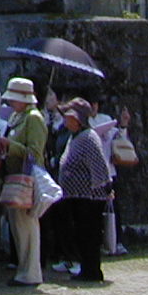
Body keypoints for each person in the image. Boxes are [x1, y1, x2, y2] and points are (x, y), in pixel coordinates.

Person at [0, 76, 47, 287]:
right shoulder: (17, 116)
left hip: (26, 178)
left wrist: (9, 145)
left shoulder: (33, 118)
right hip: (14, 176)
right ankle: (24, 270)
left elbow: (35, 152)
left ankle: (30, 272)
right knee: (18, 227)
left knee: (26, 226)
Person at [57, 98, 110, 284]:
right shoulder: (75, 137)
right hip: (77, 196)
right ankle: (87, 269)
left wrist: (104, 187)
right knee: (82, 234)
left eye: (68, 117)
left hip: (89, 197)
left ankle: (92, 271)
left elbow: (99, 166)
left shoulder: (88, 137)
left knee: (89, 234)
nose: (65, 121)